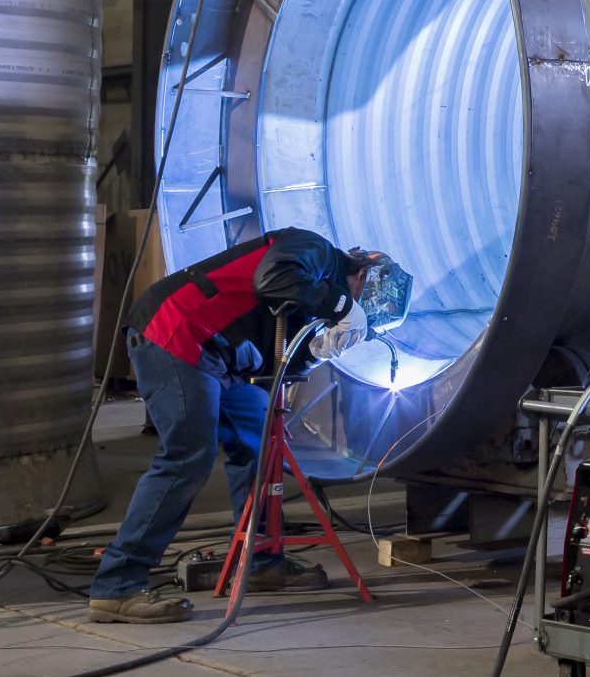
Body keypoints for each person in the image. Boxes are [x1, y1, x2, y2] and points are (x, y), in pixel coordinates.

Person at [87, 229, 378, 623]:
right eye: (363, 299)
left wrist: (316, 351)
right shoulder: (317, 251)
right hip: (178, 331)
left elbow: (274, 359)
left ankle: (259, 561)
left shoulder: (312, 300)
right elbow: (273, 278)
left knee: (262, 444)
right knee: (188, 457)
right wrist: (343, 306)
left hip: (222, 359)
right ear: (361, 274)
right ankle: (117, 585)